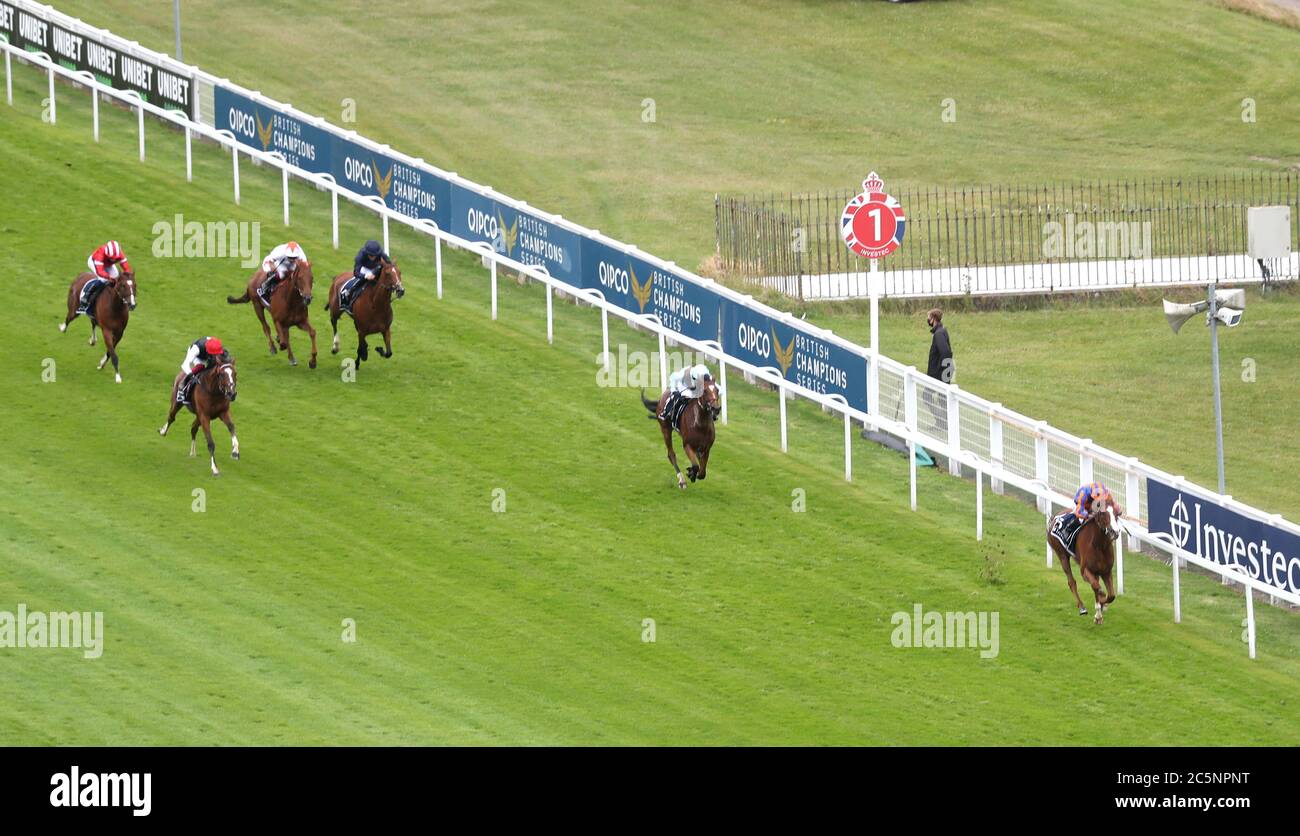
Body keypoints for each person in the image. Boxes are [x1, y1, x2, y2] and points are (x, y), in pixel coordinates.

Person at [1051, 482, 1125, 557]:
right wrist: (1087, 515)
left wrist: (1117, 510)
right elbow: (1079, 512)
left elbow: (1113, 504)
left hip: (1094, 502)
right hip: (1082, 504)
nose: (1102, 501)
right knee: (1079, 520)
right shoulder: (1083, 495)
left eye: (1102, 499)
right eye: (1099, 500)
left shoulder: (1105, 494)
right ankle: (1068, 531)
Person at [79, 240, 132, 313]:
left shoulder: (120, 254)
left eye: (115, 258)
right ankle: (86, 296)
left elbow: (126, 268)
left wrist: (128, 277)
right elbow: (100, 271)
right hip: (94, 262)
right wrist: (109, 278)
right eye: (111, 257)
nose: (113, 259)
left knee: (116, 276)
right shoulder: (100, 253)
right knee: (103, 279)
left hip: (108, 264)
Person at [340, 240, 391, 311]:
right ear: (367, 253)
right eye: (371, 255)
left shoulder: (381, 254)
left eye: (374, 256)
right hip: (365, 269)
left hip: (377, 269)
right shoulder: (360, 256)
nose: (373, 257)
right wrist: (365, 276)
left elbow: (389, 265)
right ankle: (350, 292)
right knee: (361, 280)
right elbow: (356, 272)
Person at [177, 336, 227, 403]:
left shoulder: (217, 347)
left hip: (207, 354)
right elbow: (184, 365)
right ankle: (182, 386)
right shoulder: (196, 349)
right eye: (214, 355)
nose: (215, 356)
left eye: (216, 354)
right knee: (200, 366)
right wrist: (192, 376)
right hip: (199, 356)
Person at [926, 308, 953, 384]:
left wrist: (938, 370)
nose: (928, 320)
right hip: (941, 373)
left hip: (937, 375)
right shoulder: (942, 331)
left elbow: (946, 352)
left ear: (933, 319)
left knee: (927, 394)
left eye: (929, 317)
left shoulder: (939, 334)